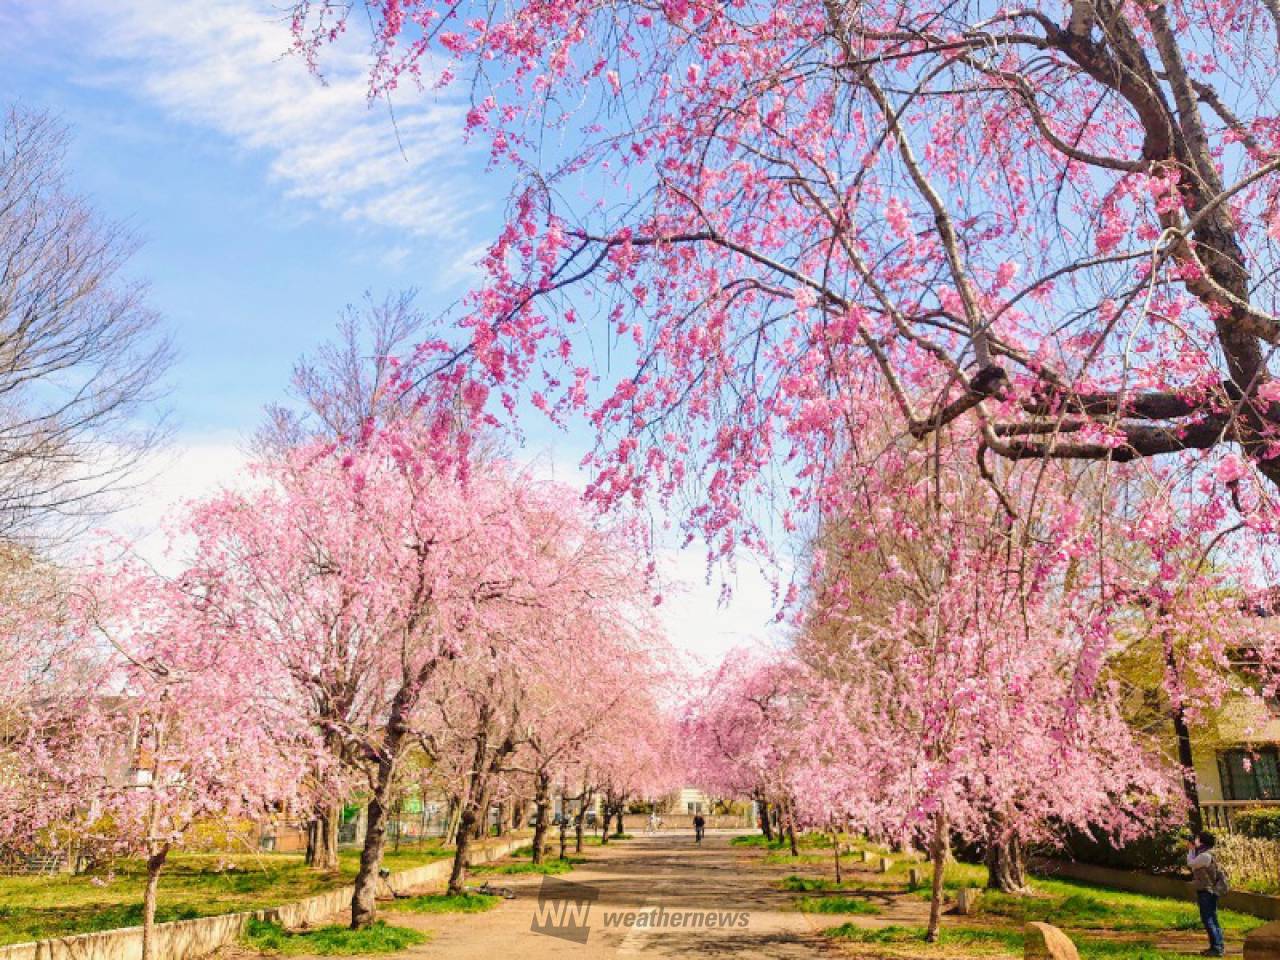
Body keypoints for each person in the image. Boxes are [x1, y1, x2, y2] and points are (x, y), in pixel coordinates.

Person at [1188, 831, 1227, 957]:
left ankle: (1216, 948)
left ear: (1203, 841)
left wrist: (1190, 850)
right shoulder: (1206, 853)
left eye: (1198, 839)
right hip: (1210, 890)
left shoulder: (1205, 856)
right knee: (1212, 919)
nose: (1196, 841)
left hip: (1207, 891)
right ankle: (1217, 946)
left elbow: (1191, 864)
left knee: (1208, 919)